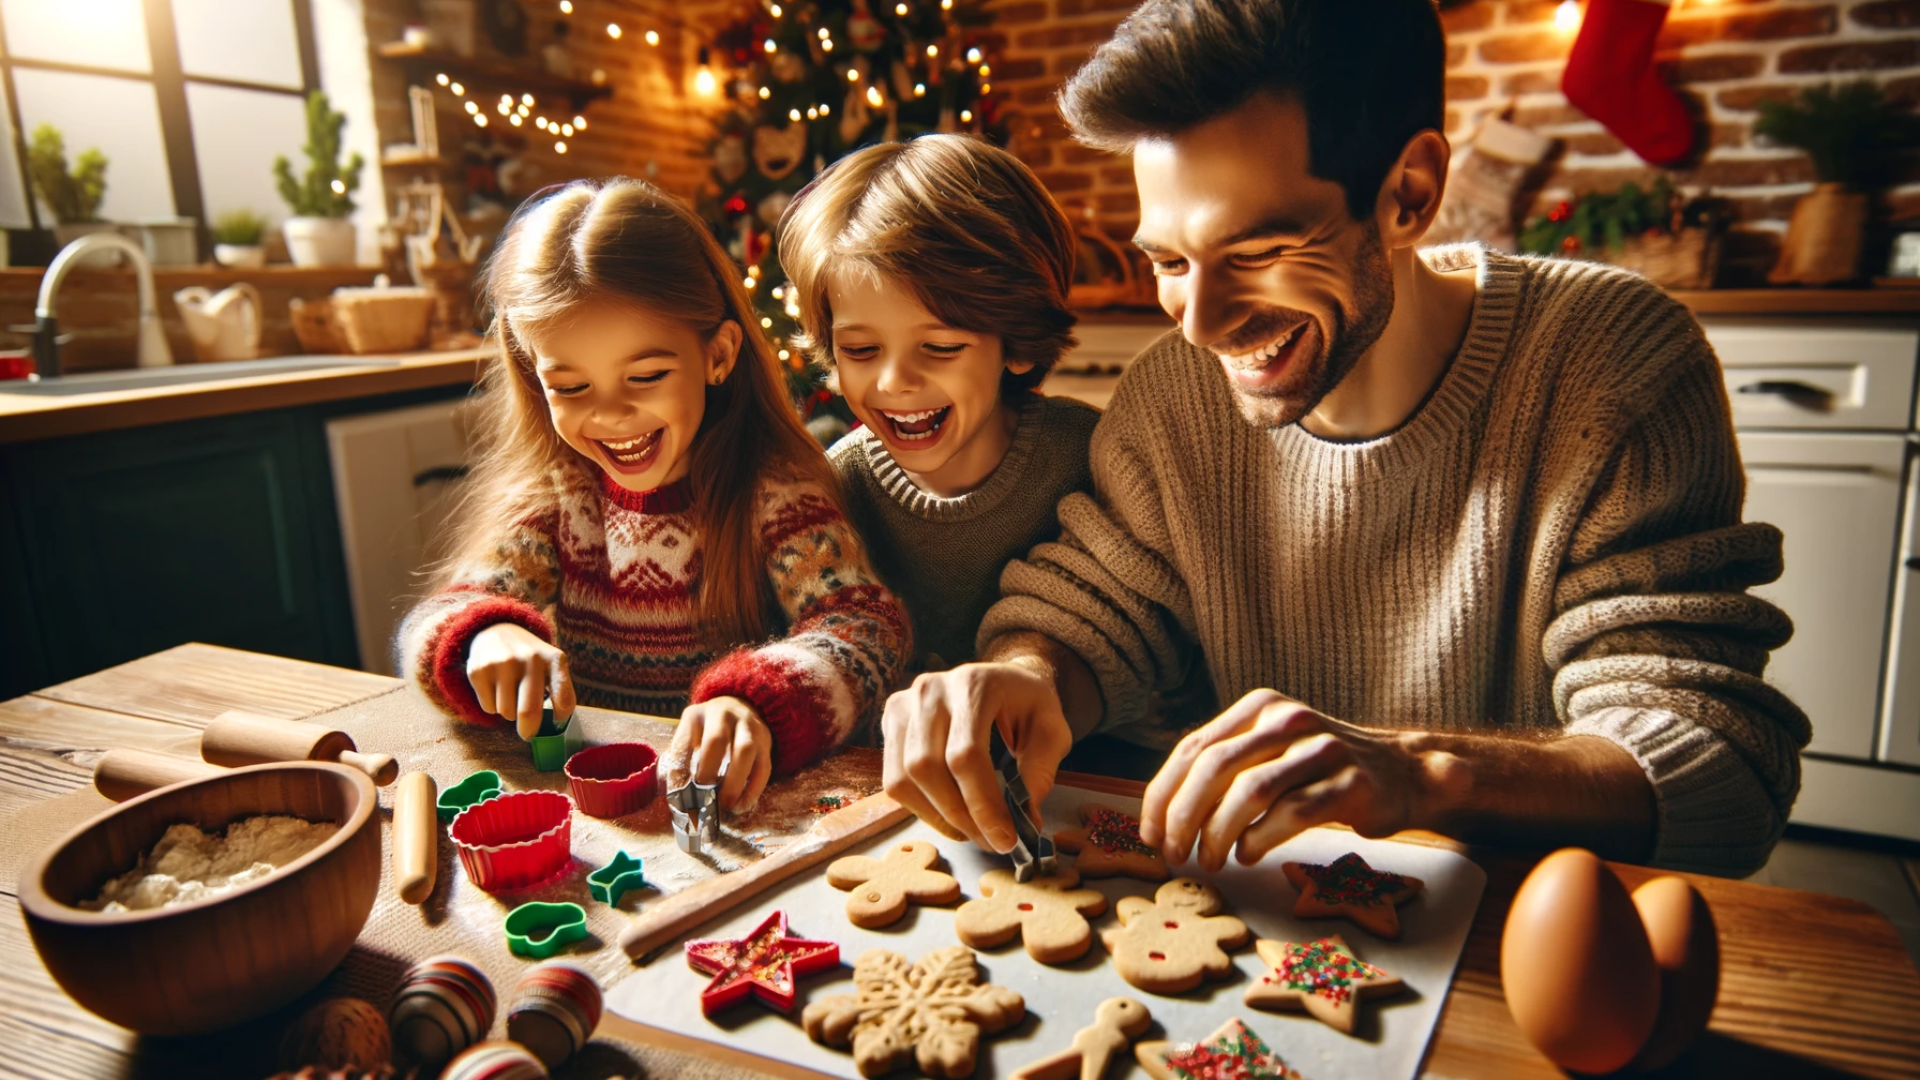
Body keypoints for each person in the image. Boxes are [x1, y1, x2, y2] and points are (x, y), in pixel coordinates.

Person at [878, 0, 1808, 877]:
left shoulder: (1611, 366)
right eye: (1169, 260)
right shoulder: (1173, 393)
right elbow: (1101, 607)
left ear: (1408, 193)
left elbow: (1717, 764)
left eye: (1255, 254)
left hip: (1511, 949)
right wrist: (1024, 677)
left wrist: (1419, 772)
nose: (1199, 322)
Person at [398, 177, 909, 813]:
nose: (612, 415)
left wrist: (757, 701)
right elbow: (432, 623)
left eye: (646, 375)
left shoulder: (773, 490)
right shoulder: (558, 496)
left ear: (718, 356)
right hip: (607, 812)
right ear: (534, 376)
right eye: (571, 387)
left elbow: (866, 628)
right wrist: (483, 637)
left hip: (748, 810)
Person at [778, 134, 1100, 673]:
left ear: (1017, 343)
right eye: (861, 349)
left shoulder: (1090, 458)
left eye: (942, 347)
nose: (896, 380)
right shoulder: (837, 487)